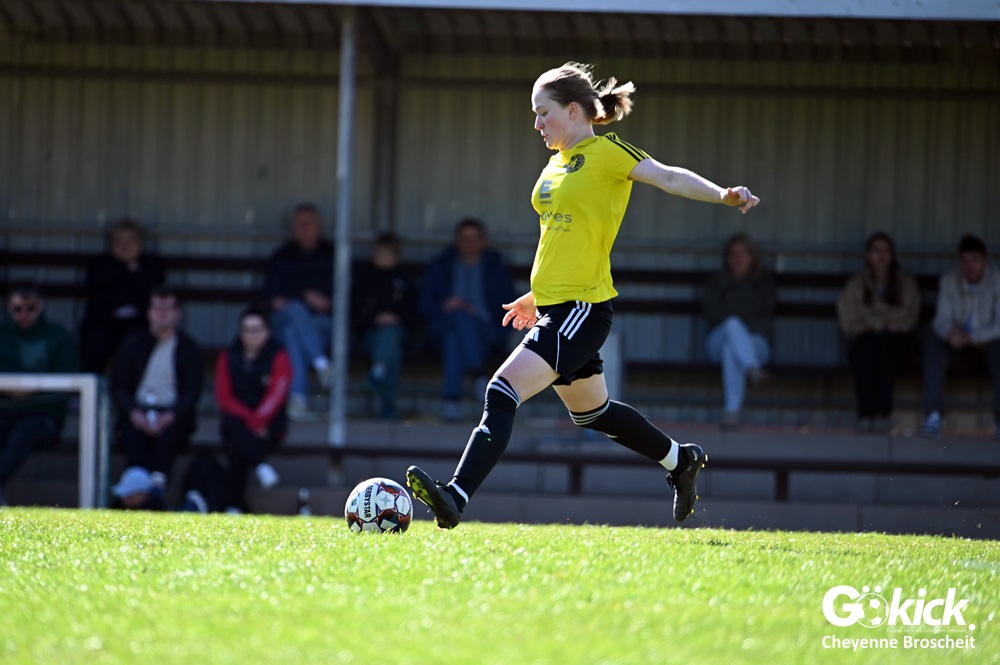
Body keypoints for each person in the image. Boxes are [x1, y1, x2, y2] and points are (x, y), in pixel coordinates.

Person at [405, 62, 759, 529]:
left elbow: (669, 177)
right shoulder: (556, 162)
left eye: (543, 112)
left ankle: (456, 495)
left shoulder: (608, 152)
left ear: (573, 110)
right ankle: (681, 460)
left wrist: (724, 195)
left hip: (582, 310)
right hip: (556, 306)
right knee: (593, 414)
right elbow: (560, 241)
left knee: (501, 390)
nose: (537, 123)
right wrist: (537, 294)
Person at [419, 218, 516, 421]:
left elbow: (510, 305)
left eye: (474, 238)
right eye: (464, 238)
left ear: (483, 241)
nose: (469, 243)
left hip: (485, 330)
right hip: (443, 326)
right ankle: (477, 374)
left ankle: (451, 402)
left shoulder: (495, 268)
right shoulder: (442, 265)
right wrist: (444, 305)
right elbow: (424, 306)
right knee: (458, 317)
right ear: (457, 241)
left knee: (454, 340)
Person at [109, 285, 203, 491]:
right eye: (157, 308)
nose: (161, 314)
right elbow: (119, 387)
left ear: (177, 313)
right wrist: (134, 412)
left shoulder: (189, 348)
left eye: (167, 309)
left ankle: (158, 486)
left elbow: (192, 392)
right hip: (137, 412)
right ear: (149, 312)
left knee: (168, 439)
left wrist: (170, 415)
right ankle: (136, 488)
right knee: (133, 440)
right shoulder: (132, 345)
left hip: (173, 414)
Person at [0, 281, 78, 506]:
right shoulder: (2, 334)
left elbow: (69, 379)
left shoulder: (58, 336)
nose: (24, 315)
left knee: (24, 433)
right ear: (8, 307)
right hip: (5, 412)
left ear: (41, 305)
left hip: (42, 416)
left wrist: (33, 389)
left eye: (30, 308)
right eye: (17, 309)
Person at [836, 232, 920, 432]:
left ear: (892, 255)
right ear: (867, 255)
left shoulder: (906, 283)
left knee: (883, 350)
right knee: (868, 348)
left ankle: (883, 414)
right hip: (865, 344)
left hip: (896, 345)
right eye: (876, 251)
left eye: (885, 251)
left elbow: (908, 316)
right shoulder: (856, 284)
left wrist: (871, 322)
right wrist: (882, 322)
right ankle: (867, 415)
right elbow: (848, 317)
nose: (881, 256)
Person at [214, 304, 292, 513]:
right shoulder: (229, 356)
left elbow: (277, 393)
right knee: (234, 428)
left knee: (237, 444)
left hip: (269, 426)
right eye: (247, 330)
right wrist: (251, 421)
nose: (252, 335)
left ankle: (234, 505)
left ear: (267, 331)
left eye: (257, 330)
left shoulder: (279, 356)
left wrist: (259, 420)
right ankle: (260, 465)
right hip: (240, 423)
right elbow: (224, 398)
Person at [921, 234, 1000, 439]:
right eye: (964, 260)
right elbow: (941, 319)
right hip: (958, 348)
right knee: (933, 342)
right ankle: (933, 417)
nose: (969, 266)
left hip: (988, 347)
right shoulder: (949, 280)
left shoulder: (997, 280)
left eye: (974, 260)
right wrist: (951, 332)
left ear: (985, 261)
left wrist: (972, 337)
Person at [264, 203, 334, 422]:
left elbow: (338, 297)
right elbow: (273, 297)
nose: (304, 228)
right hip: (285, 319)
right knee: (295, 309)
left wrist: (297, 296)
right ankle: (322, 364)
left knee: (294, 333)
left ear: (319, 226)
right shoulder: (282, 256)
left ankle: (298, 400)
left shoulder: (332, 255)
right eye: (299, 224)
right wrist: (305, 295)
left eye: (309, 223)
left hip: (321, 323)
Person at [701, 233, 777, 430]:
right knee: (732, 323)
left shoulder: (763, 283)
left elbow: (764, 309)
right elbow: (712, 311)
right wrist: (742, 309)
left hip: (756, 343)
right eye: (732, 254)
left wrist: (731, 305)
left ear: (752, 257)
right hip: (716, 342)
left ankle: (732, 411)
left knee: (731, 348)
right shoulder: (716, 282)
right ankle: (752, 369)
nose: (737, 259)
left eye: (742, 254)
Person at [78, 218, 166, 374]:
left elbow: (151, 296)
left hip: (138, 322)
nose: (125, 245)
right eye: (119, 241)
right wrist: (126, 272)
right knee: (95, 341)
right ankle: (93, 384)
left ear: (140, 243)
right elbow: (100, 297)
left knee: (138, 341)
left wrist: (133, 274)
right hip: (105, 321)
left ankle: (133, 387)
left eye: (130, 240)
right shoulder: (100, 265)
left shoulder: (152, 265)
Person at [351, 232, 421, 420]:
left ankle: (379, 371)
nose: (384, 260)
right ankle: (388, 406)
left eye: (388, 255)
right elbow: (355, 314)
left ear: (397, 257)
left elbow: (415, 314)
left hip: (399, 333)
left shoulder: (404, 281)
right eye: (380, 255)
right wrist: (375, 320)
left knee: (390, 337)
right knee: (392, 352)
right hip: (370, 336)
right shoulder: (364, 280)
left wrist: (396, 318)